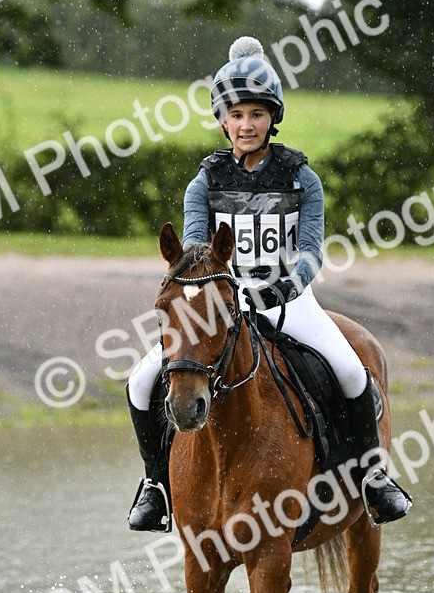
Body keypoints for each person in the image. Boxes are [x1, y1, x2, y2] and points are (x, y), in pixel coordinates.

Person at [126, 36, 412, 532]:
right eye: (236, 115)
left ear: (272, 118)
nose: (246, 124)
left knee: (351, 372)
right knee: (140, 381)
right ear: (222, 121)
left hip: (288, 300)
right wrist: (217, 291)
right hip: (221, 302)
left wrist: (287, 286)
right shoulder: (205, 183)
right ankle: (155, 486)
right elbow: (196, 249)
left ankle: (372, 477)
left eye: (256, 114)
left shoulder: (303, 179)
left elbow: (311, 249)